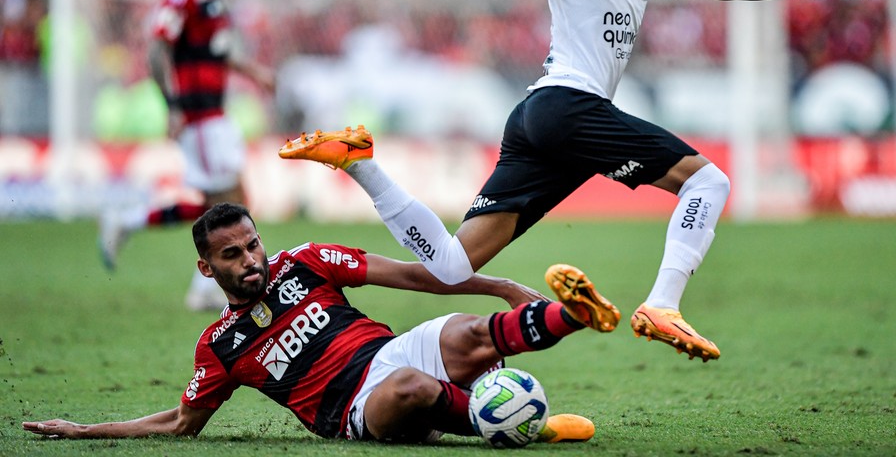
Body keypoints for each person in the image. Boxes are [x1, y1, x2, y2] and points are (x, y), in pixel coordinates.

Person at [368, 0, 867, 362]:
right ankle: (662, 306)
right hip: (565, 105)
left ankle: (360, 164)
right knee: (708, 182)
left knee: (453, 266)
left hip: (541, 121)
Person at [24, 201, 618, 444]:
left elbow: (414, 275)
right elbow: (182, 424)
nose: (251, 260)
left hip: (393, 352)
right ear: (207, 269)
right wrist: (85, 430)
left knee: (469, 328)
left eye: (253, 245)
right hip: (355, 412)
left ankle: (573, 315)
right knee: (411, 390)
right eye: (233, 255)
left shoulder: (304, 263)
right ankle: (525, 428)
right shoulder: (222, 345)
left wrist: (497, 286)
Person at [98, 0, 275, 311]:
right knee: (224, 204)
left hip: (215, 111)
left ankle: (134, 229)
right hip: (197, 115)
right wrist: (172, 105)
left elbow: (216, 50)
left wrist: (254, 71)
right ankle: (198, 284)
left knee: (227, 200)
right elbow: (157, 47)